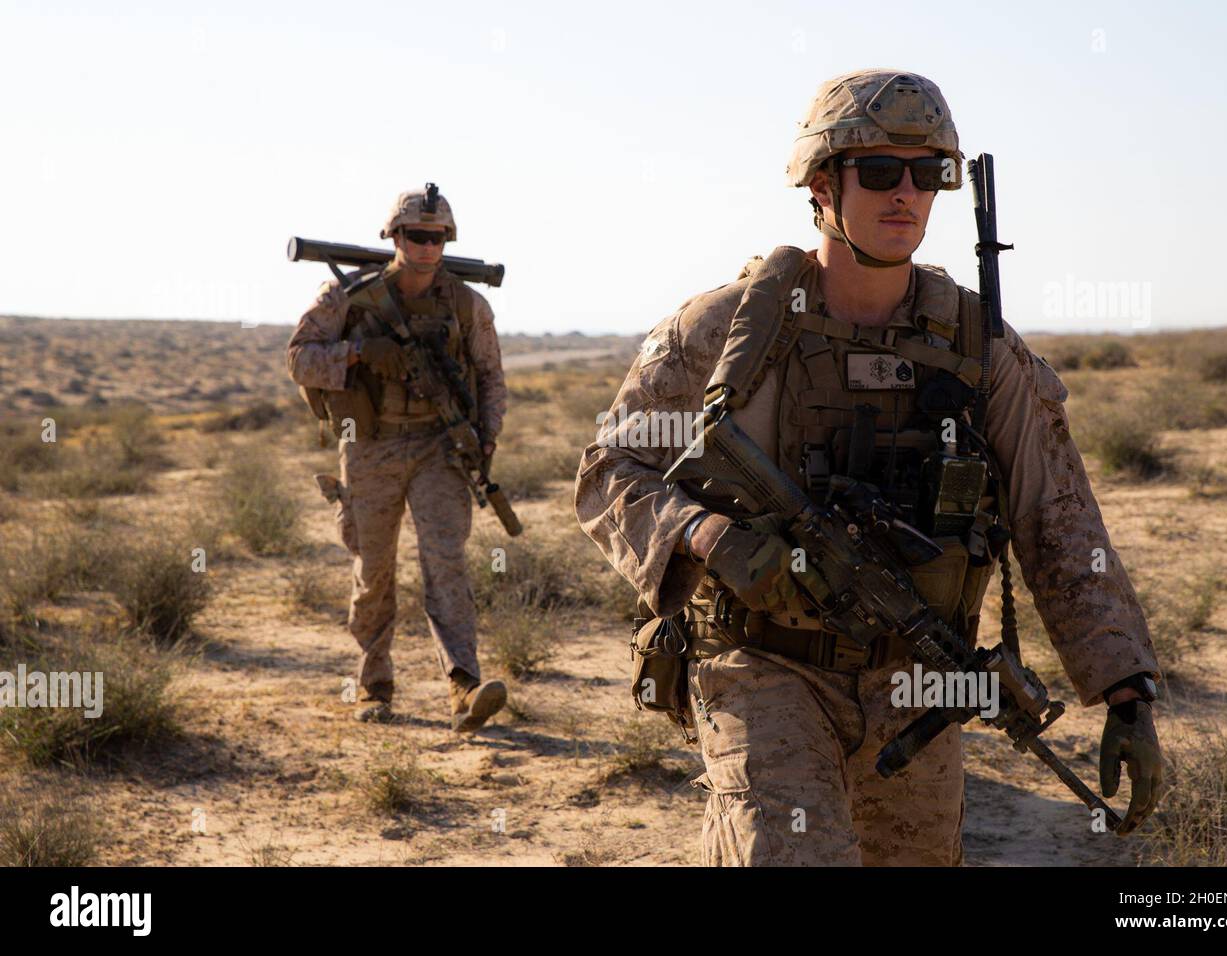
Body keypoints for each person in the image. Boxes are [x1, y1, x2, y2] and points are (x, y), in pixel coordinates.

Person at [575, 70, 1163, 865]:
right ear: (823, 184)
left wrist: (1126, 690)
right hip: (762, 665)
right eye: (881, 172)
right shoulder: (728, 329)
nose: (907, 196)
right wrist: (710, 536)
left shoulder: (977, 342)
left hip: (919, 678)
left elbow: (1056, 515)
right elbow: (610, 470)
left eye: (930, 175)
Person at [287, 186, 508, 732]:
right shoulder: (347, 296)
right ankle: (373, 683)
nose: (427, 246)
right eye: (416, 235)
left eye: (437, 237)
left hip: (439, 446)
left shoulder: (466, 304)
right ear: (394, 236)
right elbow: (299, 359)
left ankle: (464, 686)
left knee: (446, 564)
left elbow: (490, 377)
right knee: (373, 568)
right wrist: (358, 352)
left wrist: (486, 439)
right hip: (371, 445)